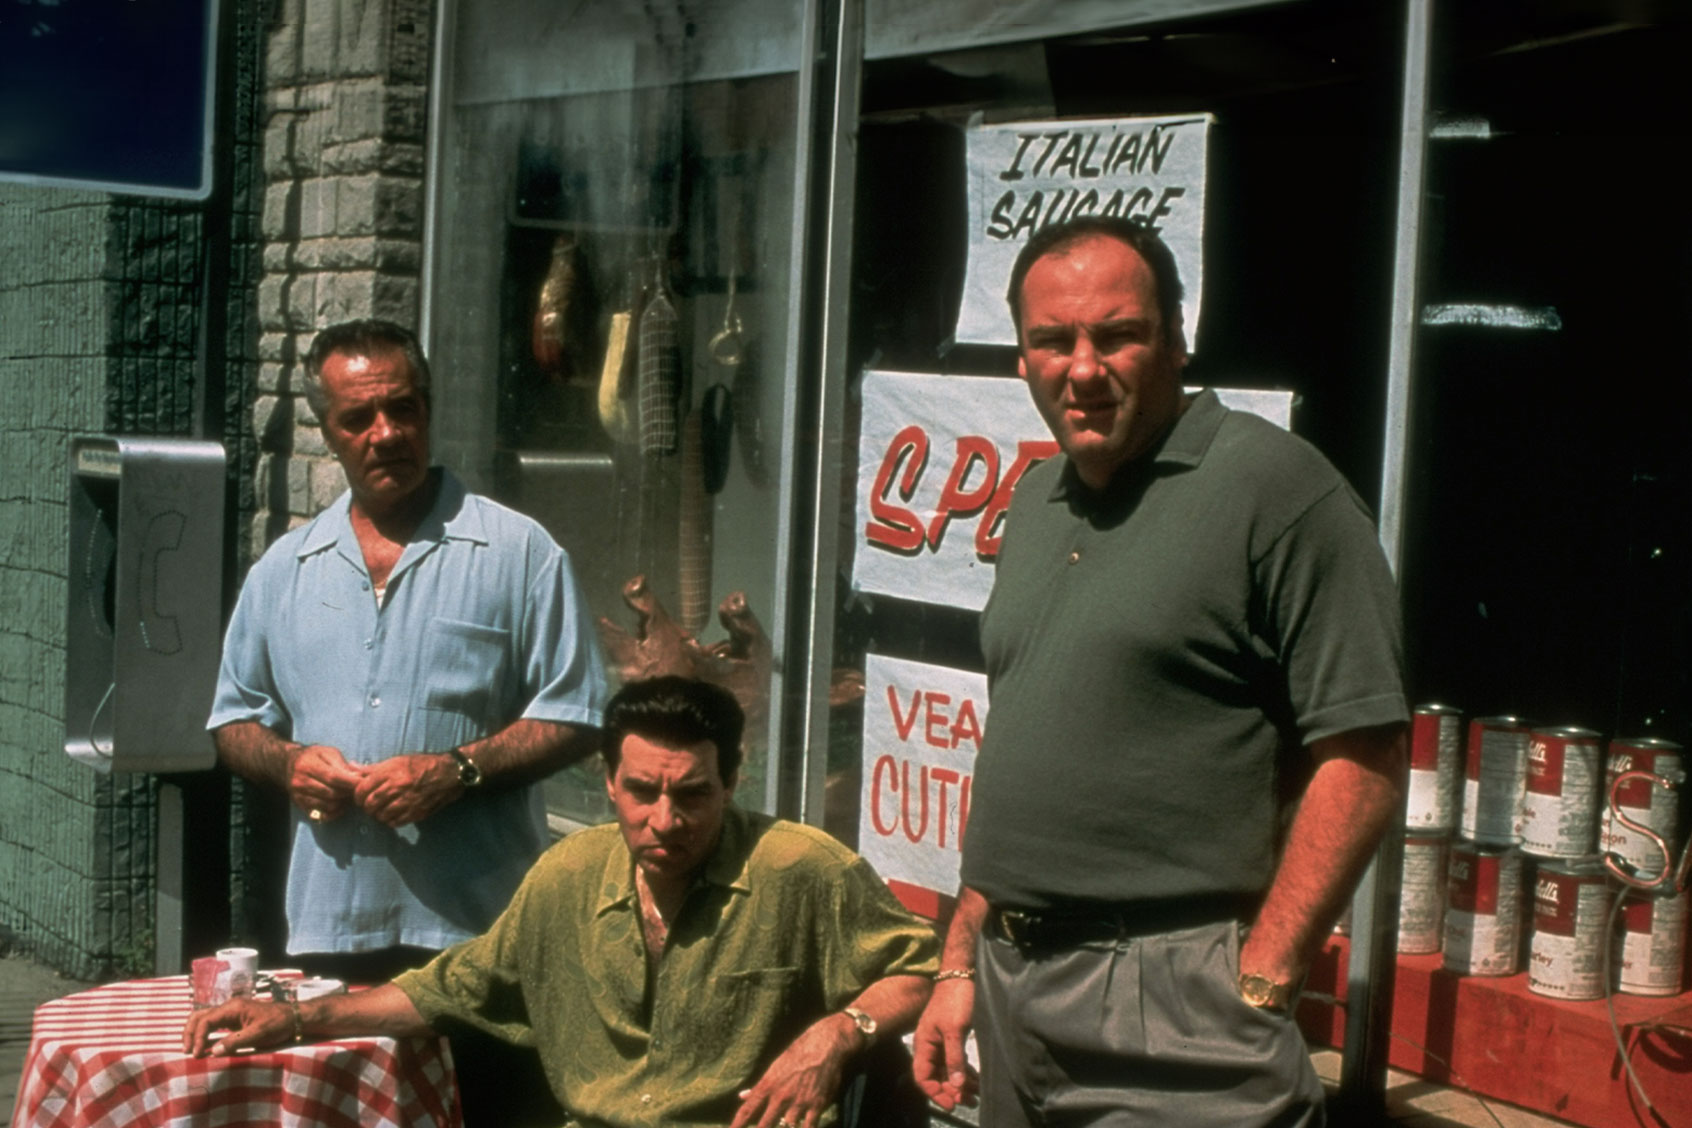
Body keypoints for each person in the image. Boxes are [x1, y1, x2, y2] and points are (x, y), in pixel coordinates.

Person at [911, 216, 1409, 1127]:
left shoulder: (1276, 490)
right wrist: (957, 963)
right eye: (1053, 341)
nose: (1084, 368)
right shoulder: (1036, 498)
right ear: (1021, 360)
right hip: (1011, 990)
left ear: (1177, 339)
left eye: (1118, 335)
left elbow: (1365, 753)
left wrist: (1264, 973)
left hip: (1174, 1005)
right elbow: (1021, 746)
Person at [186, 676, 941, 1128]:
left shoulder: (799, 867)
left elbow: (924, 969)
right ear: (608, 784)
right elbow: (446, 991)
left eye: (693, 795)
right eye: (642, 793)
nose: (665, 820)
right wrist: (291, 1017)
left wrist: (839, 1034)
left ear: (733, 781)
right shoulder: (567, 877)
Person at [207, 319, 608, 1122]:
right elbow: (233, 723)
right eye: (360, 419)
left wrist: (457, 771)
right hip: (330, 938)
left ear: (427, 409)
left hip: (480, 935)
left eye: (403, 409)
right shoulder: (285, 570)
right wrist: (288, 764)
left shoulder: (518, 551)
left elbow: (579, 713)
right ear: (330, 432)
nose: (386, 433)